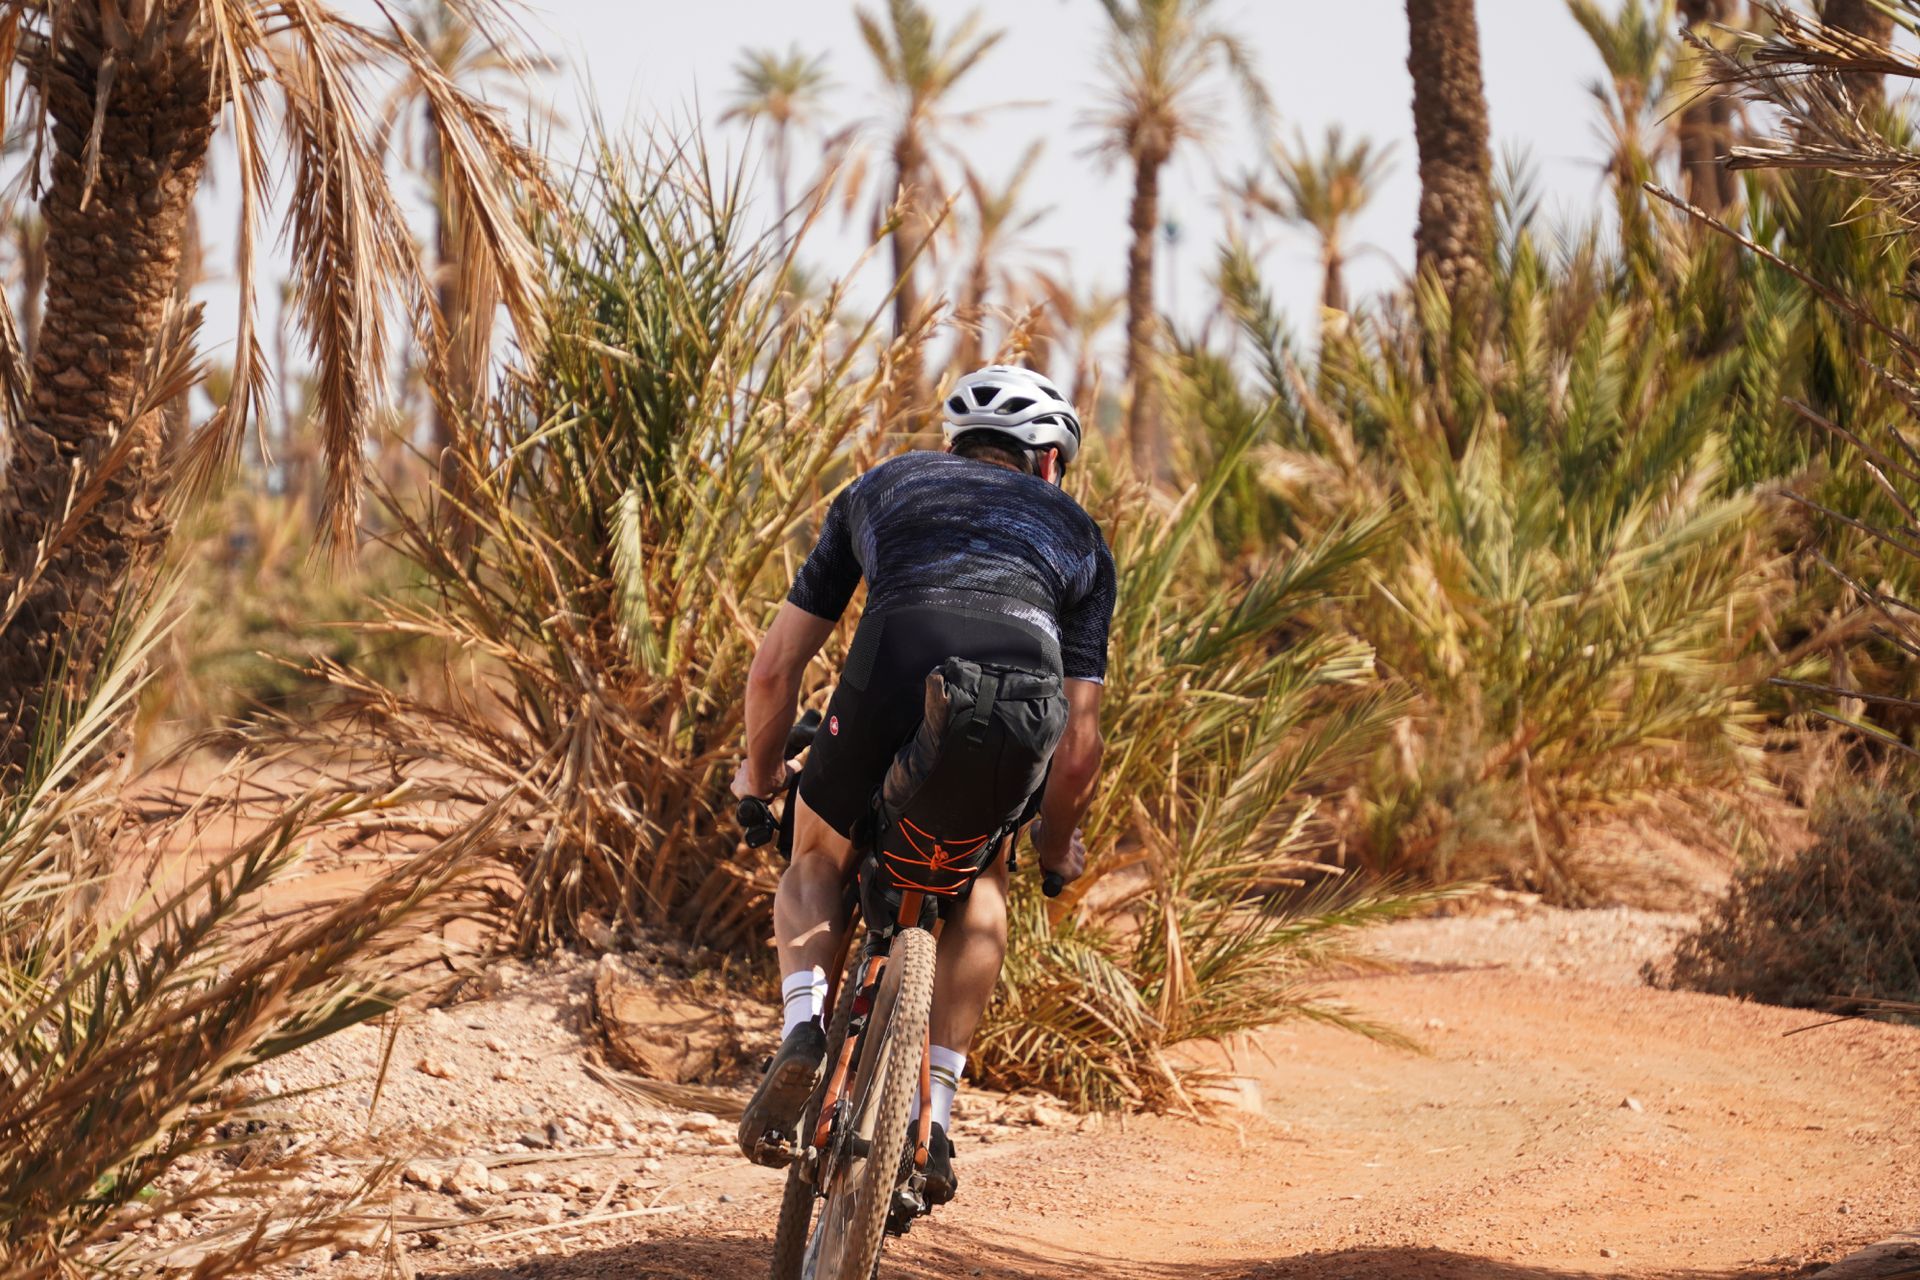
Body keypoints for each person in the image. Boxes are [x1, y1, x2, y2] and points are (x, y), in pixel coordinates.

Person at [730, 365, 1115, 1206]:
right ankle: (934, 1118)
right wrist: (1054, 852)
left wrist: (760, 785)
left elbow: (773, 673)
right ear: (1049, 462)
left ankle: (802, 1028)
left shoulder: (882, 487)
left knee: (816, 851)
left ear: (954, 444)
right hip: (1023, 694)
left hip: (894, 658)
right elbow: (1079, 746)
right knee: (983, 882)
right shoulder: (1081, 535)